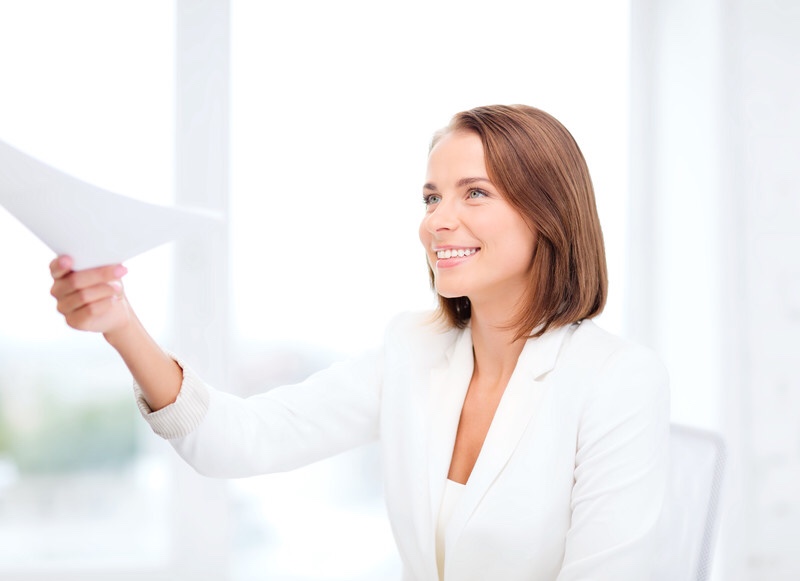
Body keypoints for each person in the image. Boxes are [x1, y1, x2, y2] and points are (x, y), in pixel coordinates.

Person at [49, 104, 669, 581]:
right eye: (432, 197)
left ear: (549, 213)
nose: (437, 220)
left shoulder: (616, 380)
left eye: (474, 192)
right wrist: (119, 322)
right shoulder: (412, 350)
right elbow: (238, 440)